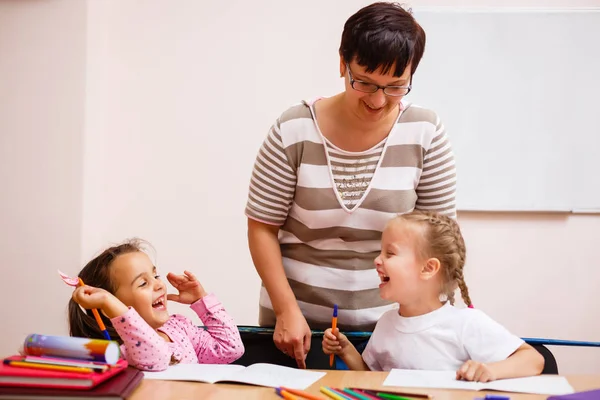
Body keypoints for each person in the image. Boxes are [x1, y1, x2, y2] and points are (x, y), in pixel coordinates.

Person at [245, 2, 456, 368]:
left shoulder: (425, 131)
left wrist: (434, 320)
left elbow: (441, 237)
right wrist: (286, 310)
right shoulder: (294, 128)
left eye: (395, 87)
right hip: (300, 328)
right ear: (343, 63)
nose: (378, 101)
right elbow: (262, 227)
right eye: (365, 83)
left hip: (396, 327)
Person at [322, 211, 544, 381]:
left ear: (428, 268)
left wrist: (490, 370)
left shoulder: (465, 323)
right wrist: (346, 351)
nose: (377, 260)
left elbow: (533, 360)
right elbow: (373, 378)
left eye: (390, 253)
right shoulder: (386, 323)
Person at [68, 239, 244, 371]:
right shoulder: (125, 349)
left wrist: (201, 300)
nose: (159, 285)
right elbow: (157, 358)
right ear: (110, 309)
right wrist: (109, 303)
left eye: (156, 276)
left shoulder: (179, 327)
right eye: (143, 283)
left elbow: (230, 349)